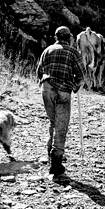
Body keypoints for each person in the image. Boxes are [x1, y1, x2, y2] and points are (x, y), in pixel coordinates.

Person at [36, 26, 85, 177]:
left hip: (47, 88)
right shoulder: (72, 52)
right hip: (63, 91)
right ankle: (56, 164)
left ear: (56, 37)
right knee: (61, 127)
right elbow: (81, 75)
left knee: (53, 122)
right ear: (69, 37)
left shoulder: (47, 50)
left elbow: (39, 71)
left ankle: (50, 154)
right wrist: (75, 86)